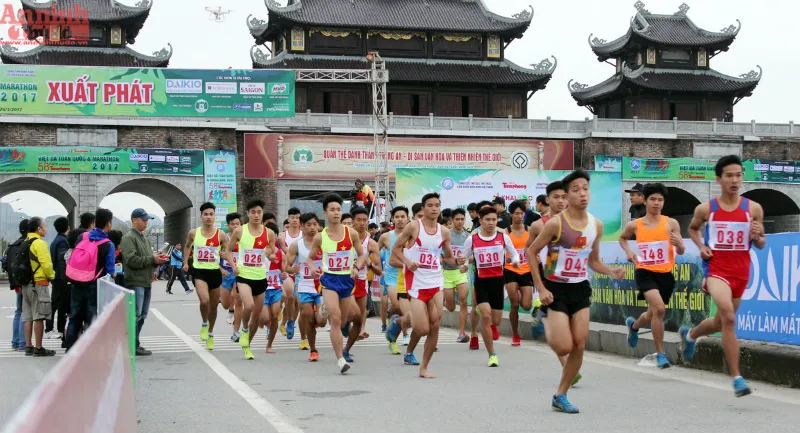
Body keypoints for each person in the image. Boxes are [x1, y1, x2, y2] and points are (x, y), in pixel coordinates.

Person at [528, 170, 625, 413]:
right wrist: (541, 287)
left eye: (585, 188)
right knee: (563, 347)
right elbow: (531, 252)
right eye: (576, 190)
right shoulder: (555, 224)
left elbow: (593, 261)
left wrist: (611, 271)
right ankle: (545, 319)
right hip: (555, 288)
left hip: (580, 287)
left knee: (579, 345)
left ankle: (560, 395)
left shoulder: (596, 225)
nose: (582, 194)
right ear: (567, 195)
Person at [681, 155, 766, 397]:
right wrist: (701, 246)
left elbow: (761, 243)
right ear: (719, 179)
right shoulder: (707, 209)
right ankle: (737, 378)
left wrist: (758, 235)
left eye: (738, 175)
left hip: (741, 273)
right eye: (729, 175)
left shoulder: (753, 209)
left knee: (720, 323)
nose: (734, 180)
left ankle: (690, 335)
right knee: (729, 317)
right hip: (716, 270)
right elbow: (693, 229)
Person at [391, 192, 462, 378]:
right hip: (416, 283)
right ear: (423, 208)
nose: (434, 209)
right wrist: (408, 262)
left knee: (435, 324)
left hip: (435, 281)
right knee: (422, 329)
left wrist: (458, 261)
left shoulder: (444, 231)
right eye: (430, 205)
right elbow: (396, 249)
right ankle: (401, 322)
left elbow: (448, 257)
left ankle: (424, 367)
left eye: (437, 205)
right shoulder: (414, 227)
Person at [619, 183, 686, 369]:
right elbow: (622, 238)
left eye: (660, 200)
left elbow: (681, 251)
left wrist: (679, 244)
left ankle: (634, 326)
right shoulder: (635, 224)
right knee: (659, 310)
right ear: (645, 200)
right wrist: (629, 252)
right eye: (653, 199)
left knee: (652, 314)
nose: (657, 203)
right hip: (645, 273)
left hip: (665, 274)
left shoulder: (671, 223)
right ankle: (660, 354)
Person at [306, 193, 366, 374]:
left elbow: (361, 255)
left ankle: (324, 309)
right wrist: (313, 268)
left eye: (339, 209)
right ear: (325, 213)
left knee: (343, 320)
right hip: (329, 280)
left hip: (346, 280)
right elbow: (310, 258)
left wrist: (356, 267)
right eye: (332, 210)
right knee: (336, 319)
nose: (336, 213)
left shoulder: (351, 233)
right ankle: (340, 359)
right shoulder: (320, 237)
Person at [460, 206, 520, 366]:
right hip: (482, 282)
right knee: (486, 317)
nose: (491, 223)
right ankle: (492, 355)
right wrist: (463, 265)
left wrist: (516, 261)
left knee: (496, 320)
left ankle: (485, 314)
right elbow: (464, 257)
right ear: (481, 221)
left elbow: (514, 253)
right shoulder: (472, 239)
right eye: (487, 220)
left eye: (494, 220)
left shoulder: (503, 237)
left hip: (498, 281)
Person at [225, 199, 277, 360]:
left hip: (260, 276)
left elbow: (273, 253)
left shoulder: (269, 233)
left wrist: (270, 255)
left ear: (262, 214)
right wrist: (233, 265)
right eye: (253, 212)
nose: (256, 215)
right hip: (243, 275)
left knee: (257, 315)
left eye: (259, 212)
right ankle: (244, 329)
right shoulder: (239, 231)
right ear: (247, 214)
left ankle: (247, 345)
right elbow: (228, 250)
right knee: (248, 306)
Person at [65, 208, 116, 351]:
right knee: (91, 318)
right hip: (94, 286)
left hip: (76, 282)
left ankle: (70, 349)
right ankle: (89, 351)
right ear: (109, 223)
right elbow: (110, 271)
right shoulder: (108, 244)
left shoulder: (82, 237)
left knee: (74, 317)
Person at [183, 202, 229, 351]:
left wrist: (226, 257)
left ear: (215, 217)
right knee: (204, 300)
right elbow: (187, 246)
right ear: (201, 217)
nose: (208, 217)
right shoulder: (193, 233)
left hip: (214, 272)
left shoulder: (220, 234)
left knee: (214, 307)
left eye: (211, 214)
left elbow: (228, 250)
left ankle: (210, 333)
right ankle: (204, 323)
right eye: (206, 214)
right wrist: (185, 262)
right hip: (199, 271)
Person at [121, 208, 167, 356]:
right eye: (143, 220)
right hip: (135, 281)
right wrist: (152, 259)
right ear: (134, 220)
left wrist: (156, 259)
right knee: (136, 314)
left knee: (142, 315)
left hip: (145, 281)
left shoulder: (144, 238)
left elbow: (146, 259)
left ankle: (134, 343)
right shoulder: (129, 238)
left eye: (147, 220)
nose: (146, 223)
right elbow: (131, 260)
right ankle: (132, 345)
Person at [285, 212, 327, 361]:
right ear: (302, 226)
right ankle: (313, 350)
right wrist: (293, 270)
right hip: (304, 286)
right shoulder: (297, 245)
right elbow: (287, 266)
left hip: (323, 286)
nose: (312, 228)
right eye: (308, 225)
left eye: (315, 224)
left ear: (319, 226)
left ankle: (318, 316)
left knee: (321, 322)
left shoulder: (326, 243)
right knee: (308, 317)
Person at [343, 206, 382, 360]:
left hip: (361, 281)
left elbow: (378, 269)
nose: (361, 223)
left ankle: (347, 349)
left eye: (364, 220)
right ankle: (345, 323)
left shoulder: (371, 243)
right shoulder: (344, 239)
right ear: (352, 222)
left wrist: (369, 263)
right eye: (358, 220)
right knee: (351, 312)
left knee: (358, 318)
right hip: (345, 280)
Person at [21, 217, 57, 357]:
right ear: (38, 229)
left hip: (25, 285)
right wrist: (52, 276)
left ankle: (28, 346)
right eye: (45, 226)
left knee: (28, 316)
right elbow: (46, 264)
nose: (46, 229)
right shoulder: (39, 243)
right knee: (39, 316)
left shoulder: (25, 242)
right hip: (39, 283)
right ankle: (39, 347)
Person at [379, 206, 411, 355]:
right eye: (397, 217)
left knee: (400, 310)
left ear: (408, 218)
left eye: (402, 216)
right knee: (398, 305)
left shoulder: (413, 236)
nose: (400, 220)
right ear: (392, 219)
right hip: (392, 276)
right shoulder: (386, 237)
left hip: (409, 276)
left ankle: (393, 327)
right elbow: (374, 251)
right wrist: (376, 267)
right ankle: (404, 335)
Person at [505, 200, 533, 346]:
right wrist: (506, 257)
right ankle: (515, 334)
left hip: (526, 270)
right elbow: (500, 249)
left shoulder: (530, 230)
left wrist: (536, 255)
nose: (519, 216)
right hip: (510, 269)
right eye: (516, 213)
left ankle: (522, 294)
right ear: (511, 214)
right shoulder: (506, 232)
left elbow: (535, 247)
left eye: (522, 213)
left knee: (526, 305)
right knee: (514, 304)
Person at [443, 208, 470, 343]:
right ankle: (446, 302)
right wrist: (453, 260)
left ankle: (461, 332)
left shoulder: (468, 237)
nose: (460, 222)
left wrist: (466, 262)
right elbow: (442, 256)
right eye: (457, 219)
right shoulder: (447, 235)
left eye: (462, 219)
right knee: (451, 307)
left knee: (463, 301)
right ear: (452, 220)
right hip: (447, 273)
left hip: (461, 273)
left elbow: (471, 256)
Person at [4, 219, 29, 352]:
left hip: (15, 283)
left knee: (19, 311)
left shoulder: (12, 246)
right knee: (25, 312)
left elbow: (6, 265)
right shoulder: (27, 244)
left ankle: (15, 342)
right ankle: (22, 343)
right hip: (25, 282)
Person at [278, 207, 302, 343]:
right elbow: (286, 253)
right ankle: (290, 321)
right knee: (291, 297)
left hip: (300, 272)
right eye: (292, 217)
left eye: (297, 218)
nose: (295, 220)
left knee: (297, 301)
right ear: (288, 219)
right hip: (286, 270)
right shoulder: (282, 236)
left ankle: (289, 323)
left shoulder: (303, 235)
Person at [46, 216, 70, 341]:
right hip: (60, 277)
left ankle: (60, 330)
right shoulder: (62, 241)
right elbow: (62, 260)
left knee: (60, 304)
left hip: (57, 276)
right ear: (68, 227)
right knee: (56, 304)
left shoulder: (56, 240)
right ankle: (49, 329)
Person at [220, 213, 243, 341]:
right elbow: (214, 255)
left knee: (238, 299)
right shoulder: (224, 238)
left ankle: (236, 331)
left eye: (237, 224)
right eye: (232, 224)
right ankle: (230, 309)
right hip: (226, 272)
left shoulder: (244, 238)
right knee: (225, 303)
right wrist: (221, 269)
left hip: (239, 272)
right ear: (228, 225)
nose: (235, 226)